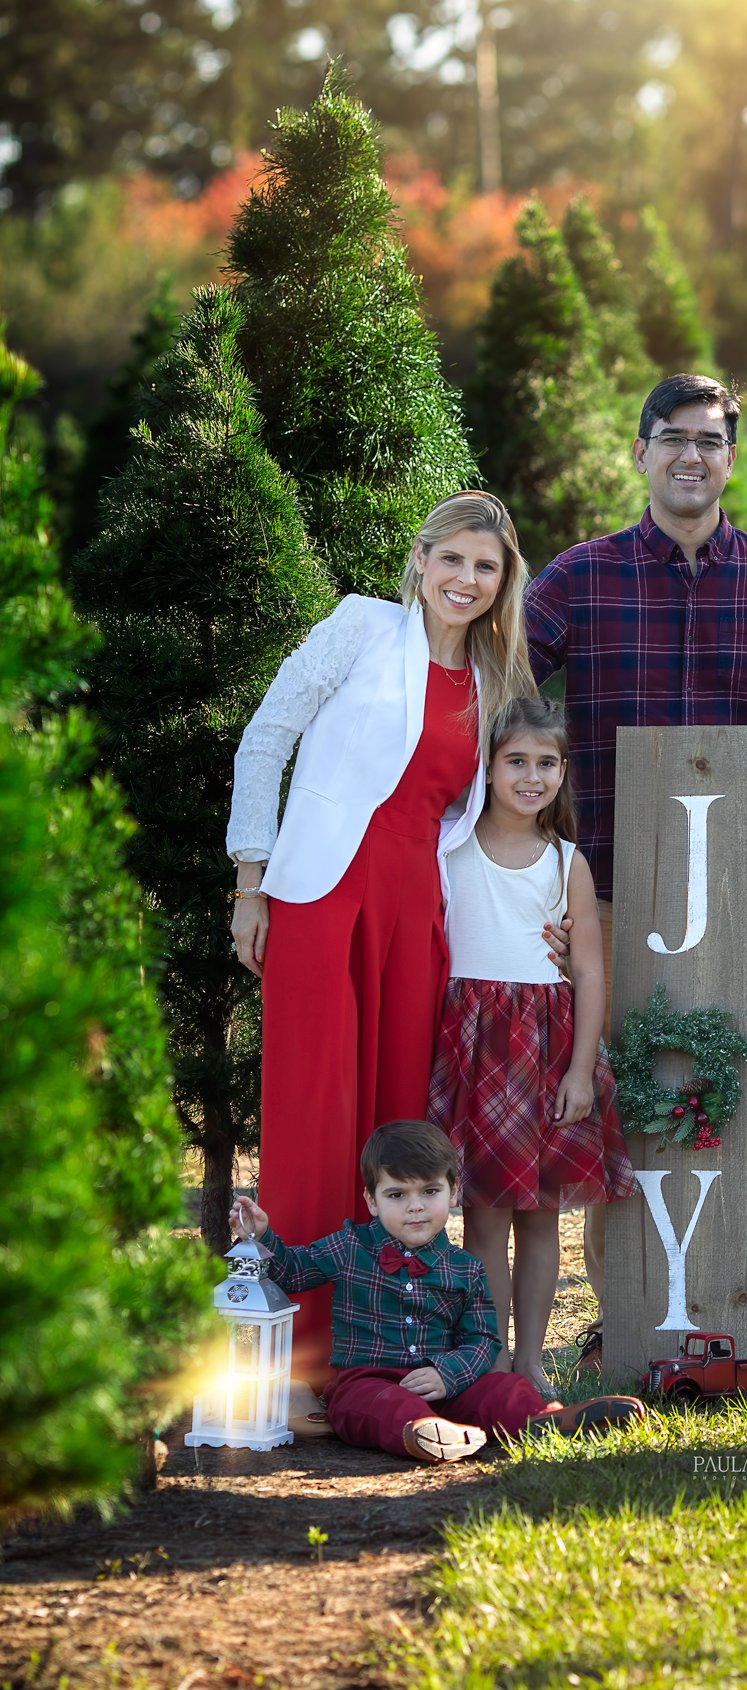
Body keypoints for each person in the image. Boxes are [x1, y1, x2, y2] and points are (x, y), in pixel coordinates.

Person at [525, 372, 747, 1374]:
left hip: (738, 898)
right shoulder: (578, 580)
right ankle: (628, 1313)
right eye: (672, 438)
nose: (691, 455)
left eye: (710, 439)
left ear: (732, 458)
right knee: (624, 1106)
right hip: (610, 894)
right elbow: (499, 709)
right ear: (641, 452)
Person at [226, 491, 535, 1397]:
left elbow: (485, 819)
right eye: (454, 561)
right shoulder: (361, 628)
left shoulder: (492, 681)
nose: (467, 581)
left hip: (416, 906)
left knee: (398, 1120)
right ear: (422, 558)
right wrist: (252, 882)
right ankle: (301, 1356)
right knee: (313, 1110)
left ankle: (383, 1353)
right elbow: (266, 739)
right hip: (321, 890)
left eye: (487, 569)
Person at [427, 698, 634, 1399]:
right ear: (486, 767)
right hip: (473, 1043)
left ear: (563, 774)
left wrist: (581, 1068)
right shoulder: (448, 845)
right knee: (483, 1212)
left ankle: (530, 1357)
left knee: (539, 1213)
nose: (531, 776)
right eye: (516, 760)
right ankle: (485, 1352)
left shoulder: (565, 860)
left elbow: (589, 970)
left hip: (542, 1045)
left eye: (547, 763)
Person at [228, 1122, 648, 1461]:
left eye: (430, 1192)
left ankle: (546, 1421)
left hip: (447, 1385)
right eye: (397, 1195)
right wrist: (264, 1236)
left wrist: (449, 1374)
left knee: (503, 1388)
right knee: (378, 1406)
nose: (415, 1206)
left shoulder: (465, 1269)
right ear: (372, 1201)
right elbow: (292, 1272)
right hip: (367, 1381)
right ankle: (425, 1435)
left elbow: (483, 1340)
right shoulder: (348, 1247)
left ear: (454, 1193)